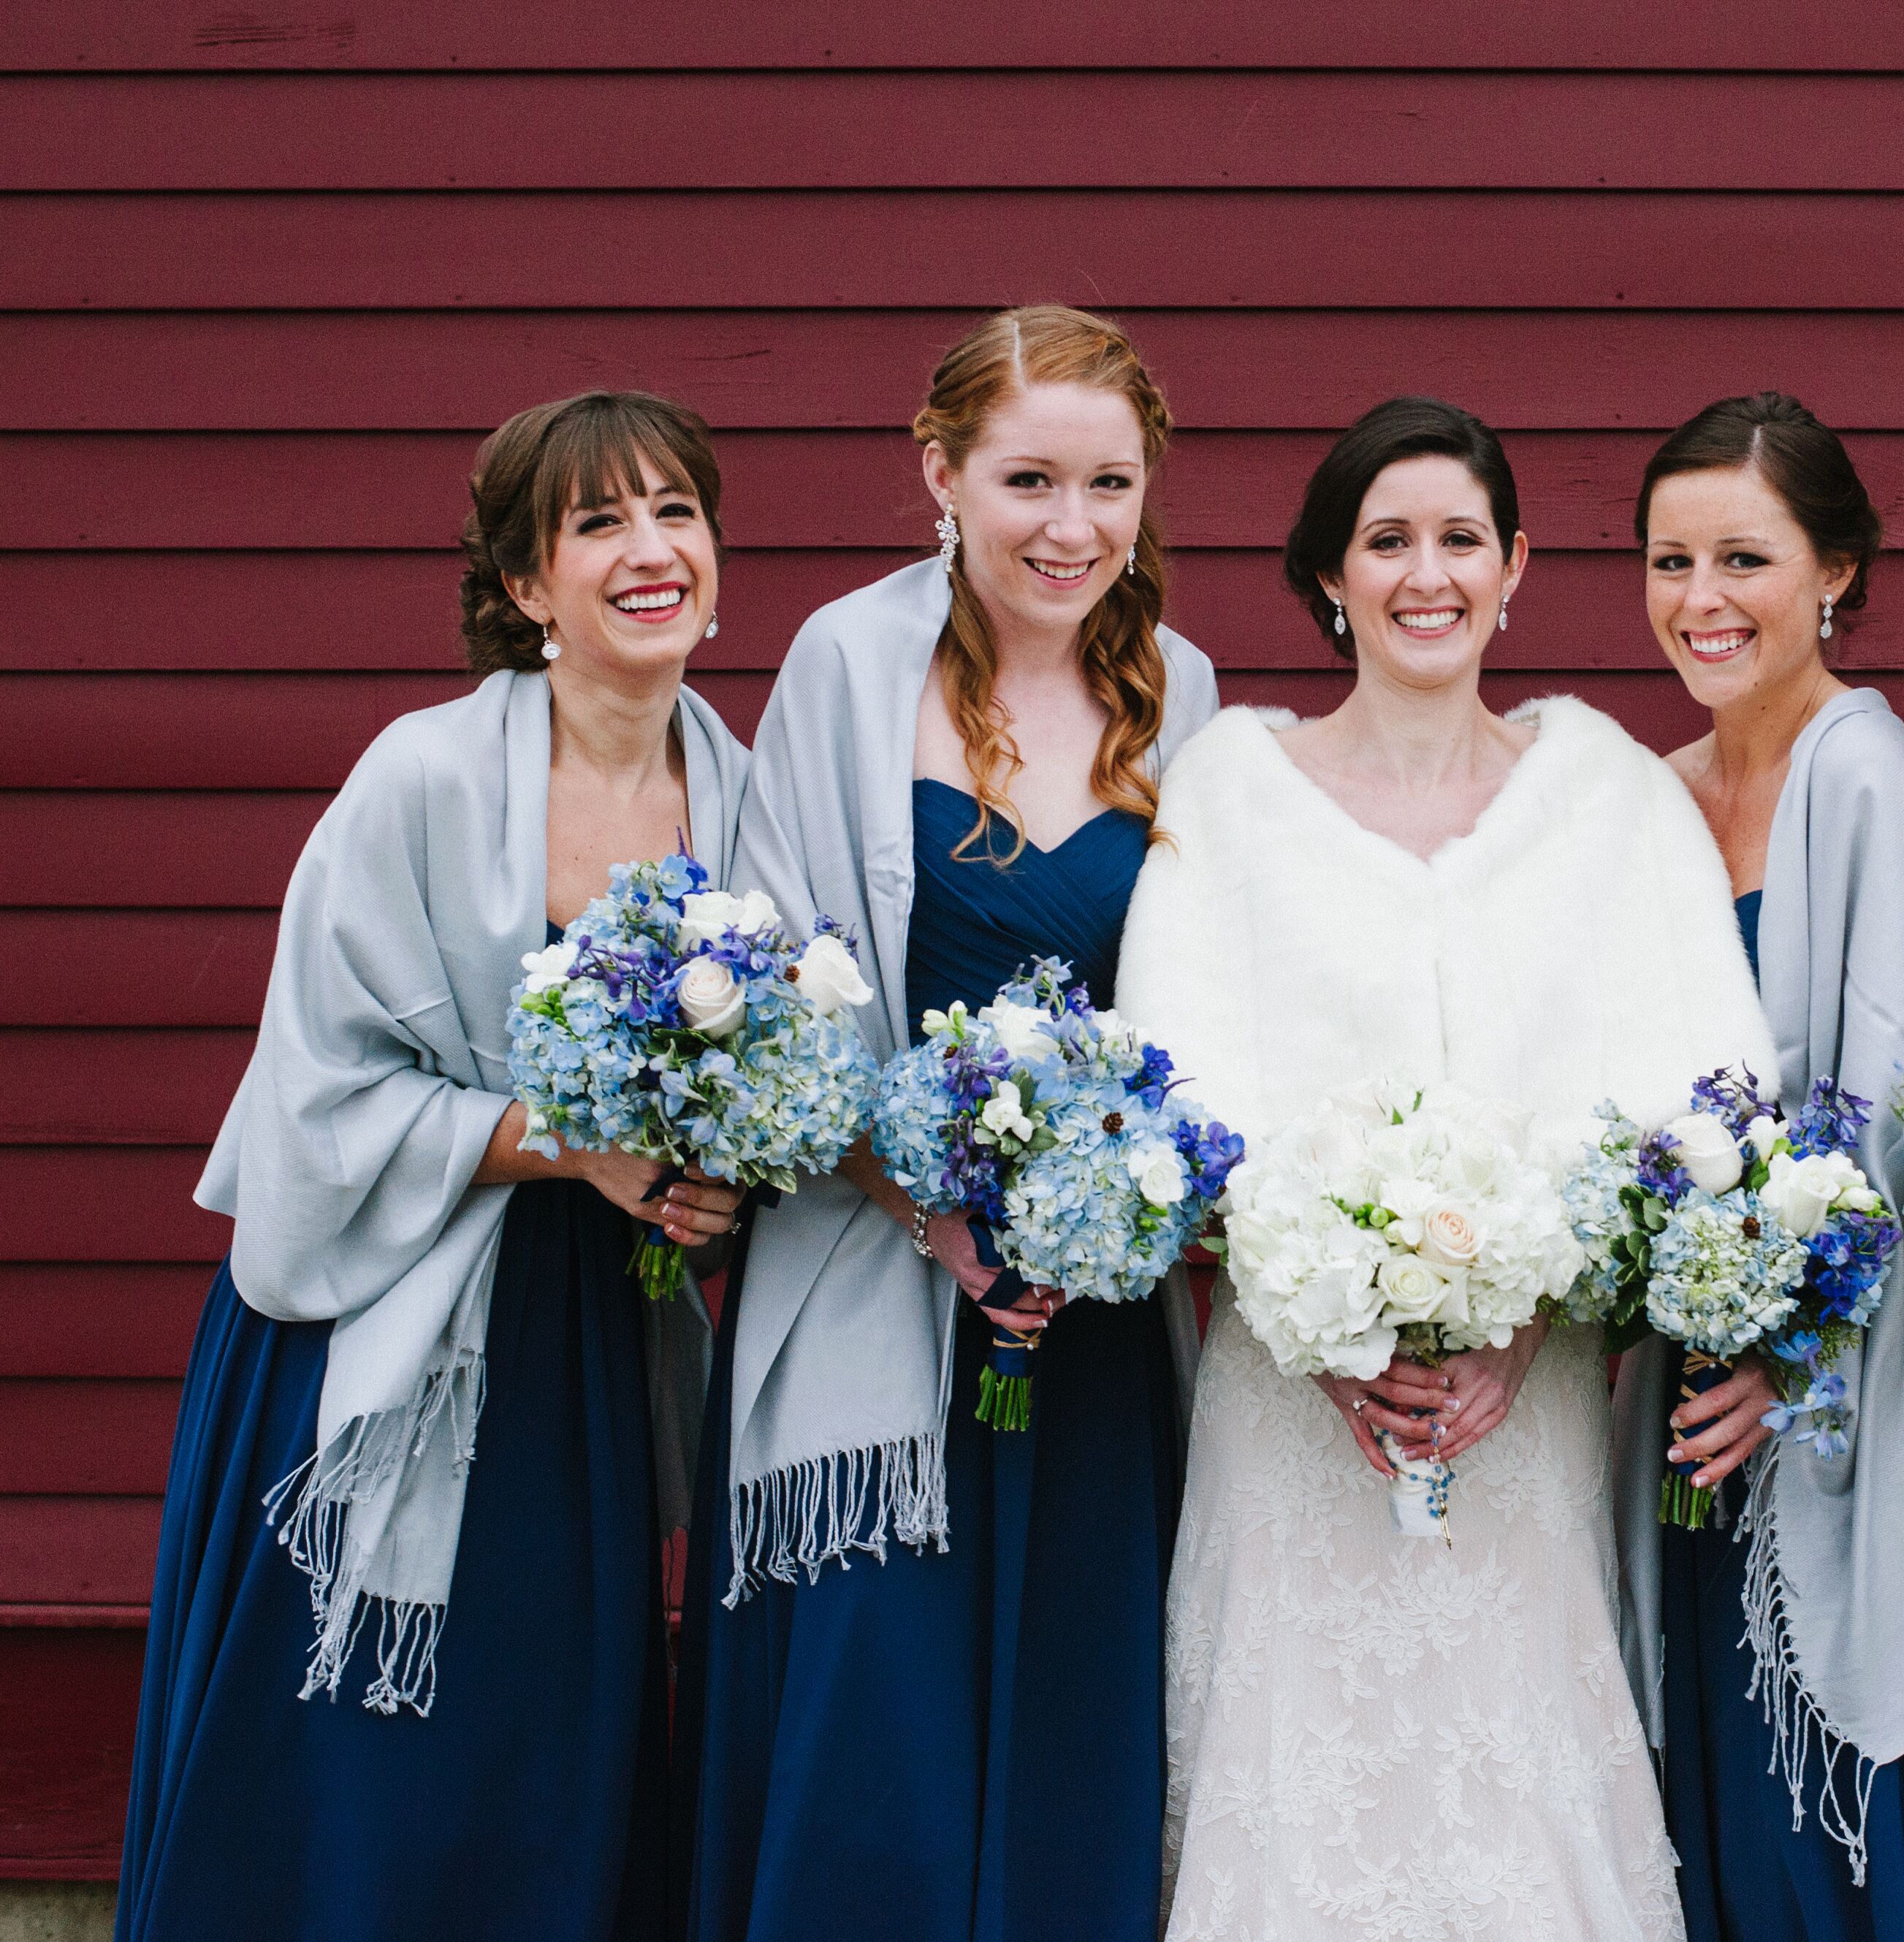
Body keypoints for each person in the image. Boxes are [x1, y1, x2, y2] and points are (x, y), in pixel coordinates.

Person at [1122, 395, 1771, 1941]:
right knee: (1300, 1803)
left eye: (1461, 540)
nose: (1429, 575)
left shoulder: (1606, 790)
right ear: (1330, 578)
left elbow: (1700, 1094)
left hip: (1525, 1409)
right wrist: (1326, 1327)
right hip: (1293, 1416)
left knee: (1515, 1798)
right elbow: (1176, 1089)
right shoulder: (1231, 787)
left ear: (1516, 567)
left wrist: (1534, 1319)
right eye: (1388, 540)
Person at [117, 392, 747, 1942]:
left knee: (539, 1735)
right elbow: (318, 1091)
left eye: (676, 510)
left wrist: (733, 1157)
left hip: (575, 1345)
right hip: (367, 1334)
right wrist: (567, 1145)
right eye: (598, 523)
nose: (651, 549)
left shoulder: (743, 788)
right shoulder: (419, 778)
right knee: (351, 1752)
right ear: (529, 588)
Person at [671, 306, 1219, 1942]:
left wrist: (1120, 1202)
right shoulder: (848, 662)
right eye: (1029, 479)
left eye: (1108, 484)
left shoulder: (1180, 688)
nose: (1072, 528)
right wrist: (933, 1206)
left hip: (1097, 1320)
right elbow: (786, 984)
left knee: (1075, 1727)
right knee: (879, 1737)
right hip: (877, 1284)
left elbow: (1206, 1003)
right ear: (943, 475)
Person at [1615, 391, 1904, 1941]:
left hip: (1836, 1406)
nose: (1700, 601)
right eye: (1670, 562)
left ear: (1836, 574)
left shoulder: (1864, 778)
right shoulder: (1655, 797)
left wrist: (1791, 1351)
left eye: (1742, 558)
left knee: (1835, 1838)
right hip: (1685, 1393)